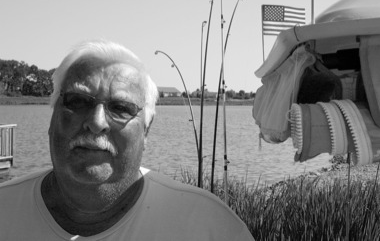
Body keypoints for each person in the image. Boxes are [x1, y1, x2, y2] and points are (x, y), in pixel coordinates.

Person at [0, 40, 254, 240]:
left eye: (120, 108)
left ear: (146, 130)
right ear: (52, 115)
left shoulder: (210, 227)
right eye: (77, 102)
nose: (97, 122)